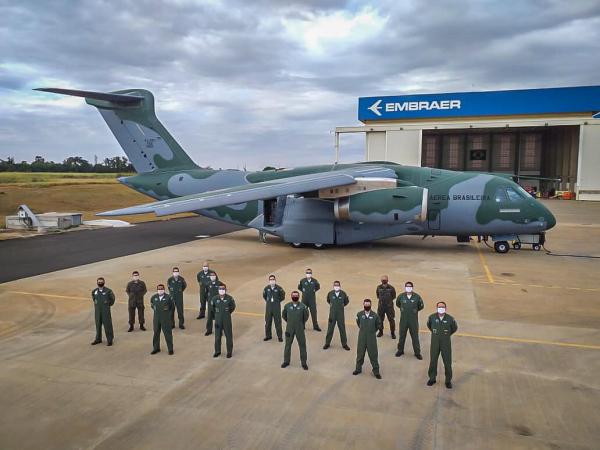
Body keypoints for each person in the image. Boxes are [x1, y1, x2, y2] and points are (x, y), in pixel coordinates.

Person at [427, 301, 458, 389]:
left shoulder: (450, 319)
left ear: (445, 308)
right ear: (437, 308)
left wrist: (446, 335)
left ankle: (448, 380)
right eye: (439, 307)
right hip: (435, 343)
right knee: (433, 361)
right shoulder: (432, 317)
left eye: (443, 307)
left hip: (446, 343)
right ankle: (432, 378)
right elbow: (429, 326)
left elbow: (454, 328)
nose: (441, 308)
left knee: (447, 362)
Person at [353, 299, 382, 379]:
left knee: (373, 354)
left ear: (370, 305)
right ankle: (358, 369)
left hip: (371, 338)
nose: (367, 306)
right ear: (363, 305)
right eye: (365, 305)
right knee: (360, 354)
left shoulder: (375, 316)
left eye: (368, 305)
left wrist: (372, 332)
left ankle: (376, 371)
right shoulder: (359, 314)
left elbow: (378, 326)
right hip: (362, 337)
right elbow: (358, 323)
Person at [396, 281, 425, 359]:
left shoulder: (417, 297)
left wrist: (413, 311)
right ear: (405, 287)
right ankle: (400, 350)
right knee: (402, 336)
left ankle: (417, 353)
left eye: (410, 286)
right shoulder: (401, 296)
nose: (408, 288)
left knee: (415, 337)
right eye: (407, 286)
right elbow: (398, 304)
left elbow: (421, 306)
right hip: (403, 320)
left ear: (412, 287)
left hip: (413, 321)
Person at [281, 291, 309, 370]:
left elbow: (306, 317)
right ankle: (286, 361)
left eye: (296, 295)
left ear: (298, 297)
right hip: (289, 328)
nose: (295, 297)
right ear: (291, 296)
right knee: (287, 345)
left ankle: (304, 363)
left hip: (299, 328)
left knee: (302, 345)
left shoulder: (303, 306)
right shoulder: (287, 306)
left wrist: (301, 323)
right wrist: (290, 322)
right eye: (293, 295)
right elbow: (284, 315)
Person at [323, 281, 350, 351]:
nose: (336, 286)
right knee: (330, 329)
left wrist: (341, 306)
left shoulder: (343, 294)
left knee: (342, 329)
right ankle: (327, 343)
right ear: (333, 286)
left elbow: (346, 302)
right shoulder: (330, 293)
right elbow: (328, 300)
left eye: (337, 285)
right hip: (332, 315)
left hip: (340, 315)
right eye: (335, 285)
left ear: (340, 286)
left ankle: (344, 344)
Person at [212, 283, 236, 358]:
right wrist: (216, 316)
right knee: (217, 336)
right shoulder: (215, 299)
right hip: (218, 320)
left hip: (227, 320)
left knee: (228, 336)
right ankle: (217, 351)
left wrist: (227, 313)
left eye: (223, 289)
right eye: (220, 289)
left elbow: (232, 307)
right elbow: (213, 309)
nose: (221, 290)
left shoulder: (229, 298)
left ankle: (229, 352)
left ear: (225, 290)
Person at [150, 284, 175, 355]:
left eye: (161, 289)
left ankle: (170, 349)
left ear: (164, 290)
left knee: (167, 334)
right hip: (156, 318)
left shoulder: (168, 297)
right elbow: (152, 305)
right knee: (156, 333)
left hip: (165, 319)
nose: (160, 290)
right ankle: (156, 348)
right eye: (159, 289)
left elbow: (172, 307)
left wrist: (167, 315)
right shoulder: (154, 297)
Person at [91, 277, 115, 346]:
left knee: (108, 325)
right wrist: (95, 301)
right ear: (97, 283)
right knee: (98, 325)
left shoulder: (108, 291)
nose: (100, 283)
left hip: (105, 312)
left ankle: (110, 340)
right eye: (99, 282)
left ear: (104, 282)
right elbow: (93, 297)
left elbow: (112, 299)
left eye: (101, 282)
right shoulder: (94, 291)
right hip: (97, 312)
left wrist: (108, 304)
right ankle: (98, 339)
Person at [262, 274, 285, 342]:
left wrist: (277, 301)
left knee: (278, 322)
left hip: (276, 308)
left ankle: (280, 336)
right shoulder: (266, 288)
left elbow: (282, 296)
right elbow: (264, 296)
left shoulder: (279, 288)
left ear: (275, 280)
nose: (272, 281)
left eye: (273, 279)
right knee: (268, 322)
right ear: (269, 281)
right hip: (269, 308)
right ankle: (268, 336)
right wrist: (269, 301)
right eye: (271, 280)